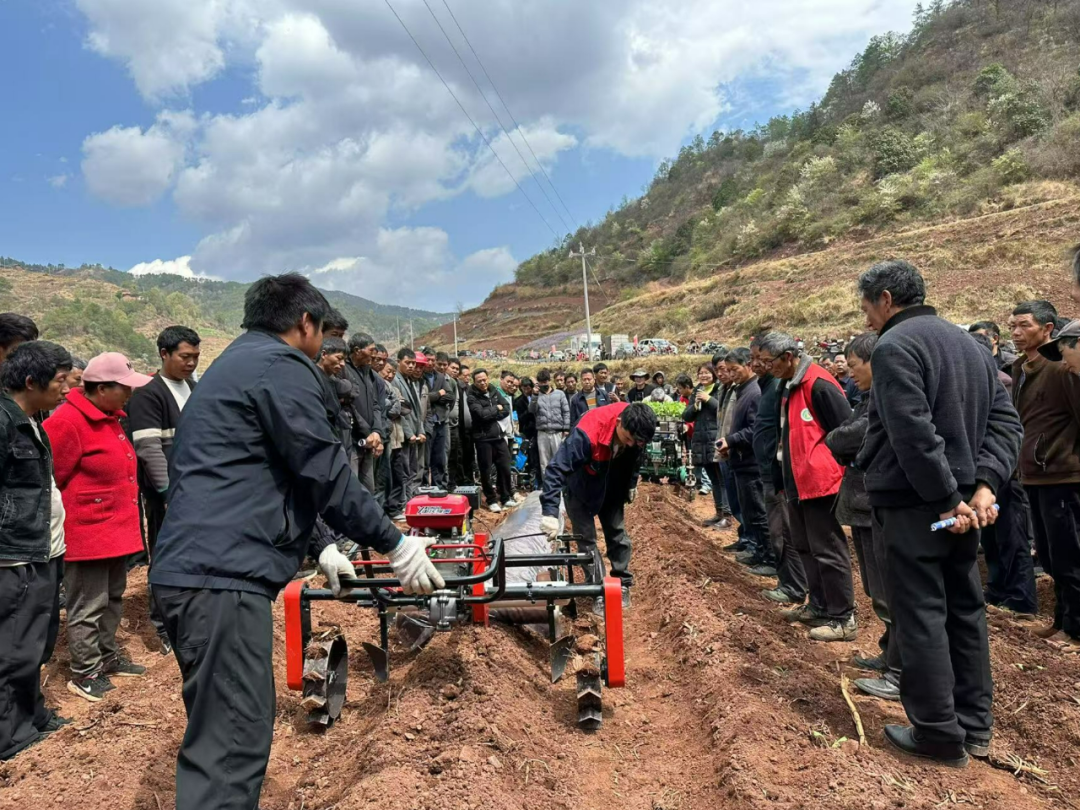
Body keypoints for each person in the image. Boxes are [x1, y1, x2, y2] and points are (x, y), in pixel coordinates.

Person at [148, 274, 443, 809]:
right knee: (232, 744)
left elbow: (266, 475)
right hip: (221, 578)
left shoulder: (235, 365)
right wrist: (395, 545)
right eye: (324, 333)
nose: (324, 345)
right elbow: (322, 468)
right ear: (305, 323)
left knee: (223, 728)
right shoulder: (281, 367)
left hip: (195, 571)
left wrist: (321, 544)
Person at [856, 259, 1021, 767]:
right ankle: (975, 727)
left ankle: (937, 733)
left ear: (886, 299)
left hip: (918, 505)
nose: (866, 320)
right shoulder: (971, 346)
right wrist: (985, 487)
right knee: (964, 609)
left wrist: (947, 497)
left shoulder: (894, 346)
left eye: (866, 308)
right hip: (964, 505)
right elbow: (1005, 422)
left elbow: (913, 432)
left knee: (921, 612)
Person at [44, 352, 153, 701]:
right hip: (88, 532)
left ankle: (106, 656)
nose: (130, 394)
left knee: (113, 597)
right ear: (101, 388)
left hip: (114, 530)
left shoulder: (109, 418)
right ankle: (85, 670)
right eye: (124, 388)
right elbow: (52, 478)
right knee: (88, 604)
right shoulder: (68, 422)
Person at [757, 332, 856, 643]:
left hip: (820, 483)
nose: (766, 368)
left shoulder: (819, 384)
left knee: (827, 548)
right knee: (804, 546)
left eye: (769, 362)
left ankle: (843, 617)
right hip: (795, 481)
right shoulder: (787, 384)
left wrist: (822, 461)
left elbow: (847, 430)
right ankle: (819, 605)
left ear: (788, 357)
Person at [0, 341, 72, 761]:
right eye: (60, 380)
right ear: (31, 382)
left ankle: (33, 714)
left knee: (35, 644)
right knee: (13, 648)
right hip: (16, 558)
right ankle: (11, 735)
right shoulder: (4, 422)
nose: (67, 388)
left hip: (43, 552)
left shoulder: (32, 421)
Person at [824, 333, 900, 700]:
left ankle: (900, 669)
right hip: (862, 502)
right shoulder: (868, 397)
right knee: (876, 588)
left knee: (889, 590)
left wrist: (839, 442)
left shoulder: (883, 400)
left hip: (874, 503)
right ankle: (890, 653)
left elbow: (847, 439)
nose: (850, 374)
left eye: (854, 366)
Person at [1008, 300, 1080, 652]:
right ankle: (1061, 620)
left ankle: (1076, 629)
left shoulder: (1062, 369)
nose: (1016, 333)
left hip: (1063, 476)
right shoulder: (1020, 368)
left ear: (1048, 329)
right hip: (1034, 475)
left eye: (1025, 325)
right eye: (1012, 326)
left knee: (1070, 556)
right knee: (1050, 556)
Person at [539, 402, 656, 612]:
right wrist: (550, 512)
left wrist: (631, 483)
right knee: (586, 539)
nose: (631, 444)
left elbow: (636, 459)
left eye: (636, 442)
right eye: (628, 439)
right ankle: (597, 589)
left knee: (617, 533)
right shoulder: (587, 433)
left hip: (612, 483)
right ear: (619, 422)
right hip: (580, 485)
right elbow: (556, 469)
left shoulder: (638, 428)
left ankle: (622, 583)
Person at [127, 326, 201, 655]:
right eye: (185, 357)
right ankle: (164, 624)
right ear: (164, 354)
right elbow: (148, 448)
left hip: (196, 489)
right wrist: (168, 493)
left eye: (195, 357)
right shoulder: (149, 393)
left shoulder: (193, 388)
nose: (191, 363)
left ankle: (191, 613)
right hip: (169, 494)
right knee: (167, 556)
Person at [750, 337, 807, 606]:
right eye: (753, 358)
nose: (756, 364)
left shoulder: (778, 386)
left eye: (761, 359)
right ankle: (790, 582)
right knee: (778, 528)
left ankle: (793, 586)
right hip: (770, 470)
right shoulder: (768, 385)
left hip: (778, 472)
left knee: (783, 530)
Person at [716, 349, 775, 575]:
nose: (731, 374)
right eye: (728, 370)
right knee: (750, 512)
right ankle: (759, 551)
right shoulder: (741, 390)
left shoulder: (754, 392)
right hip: (741, 461)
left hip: (751, 463)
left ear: (748, 365)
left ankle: (770, 558)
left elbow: (755, 429)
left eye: (735, 369)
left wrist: (732, 440)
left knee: (759, 513)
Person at [343, 333, 387, 496]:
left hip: (369, 441)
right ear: (357, 350)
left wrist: (377, 431)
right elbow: (349, 406)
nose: (374, 355)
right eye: (371, 350)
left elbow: (375, 404)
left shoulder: (367, 373)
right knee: (353, 491)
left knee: (368, 491)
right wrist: (368, 432)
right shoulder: (344, 370)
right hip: (353, 440)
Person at [684, 364, 726, 526]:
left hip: (715, 439)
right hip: (701, 440)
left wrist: (708, 399)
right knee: (714, 479)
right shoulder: (697, 391)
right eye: (700, 373)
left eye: (707, 373)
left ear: (713, 374)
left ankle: (727, 514)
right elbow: (686, 416)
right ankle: (719, 512)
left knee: (722, 479)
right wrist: (695, 406)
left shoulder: (720, 389)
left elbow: (723, 409)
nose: (703, 376)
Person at [468, 369, 514, 512]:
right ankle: (491, 499)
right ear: (474, 382)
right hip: (483, 438)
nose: (483, 383)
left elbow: (506, 408)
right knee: (486, 470)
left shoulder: (494, 391)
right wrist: (496, 408)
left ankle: (505, 497)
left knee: (505, 467)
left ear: (488, 378)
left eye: (484, 380)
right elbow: (481, 415)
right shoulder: (471, 396)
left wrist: (492, 413)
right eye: (479, 381)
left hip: (499, 436)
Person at [393, 348, 423, 499]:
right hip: (404, 434)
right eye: (407, 363)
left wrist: (421, 430)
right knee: (404, 471)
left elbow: (417, 410)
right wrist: (409, 433)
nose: (411, 366)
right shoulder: (395, 380)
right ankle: (403, 502)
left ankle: (410, 500)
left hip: (414, 433)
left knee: (412, 469)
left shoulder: (411, 381)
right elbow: (400, 411)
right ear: (398, 362)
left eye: (413, 363)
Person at [531, 368, 570, 475]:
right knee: (544, 462)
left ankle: (560, 483)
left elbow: (566, 412)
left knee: (559, 460)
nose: (544, 384)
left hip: (558, 432)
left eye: (545, 381)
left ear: (549, 380)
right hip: (542, 433)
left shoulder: (560, 394)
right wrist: (534, 396)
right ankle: (546, 483)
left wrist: (566, 429)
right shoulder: (536, 395)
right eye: (541, 382)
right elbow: (532, 410)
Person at [427, 352, 457, 489]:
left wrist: (435, 398)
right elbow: (424, 398)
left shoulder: (442, 378)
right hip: (427, 422)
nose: (442, 367)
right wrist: (438, 394)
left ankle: (439, 487)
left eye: (445, 365)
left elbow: (450, 397)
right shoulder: (421, 377)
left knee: (440, 457)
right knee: (426, 459)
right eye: (439, 364)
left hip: (441, 421)